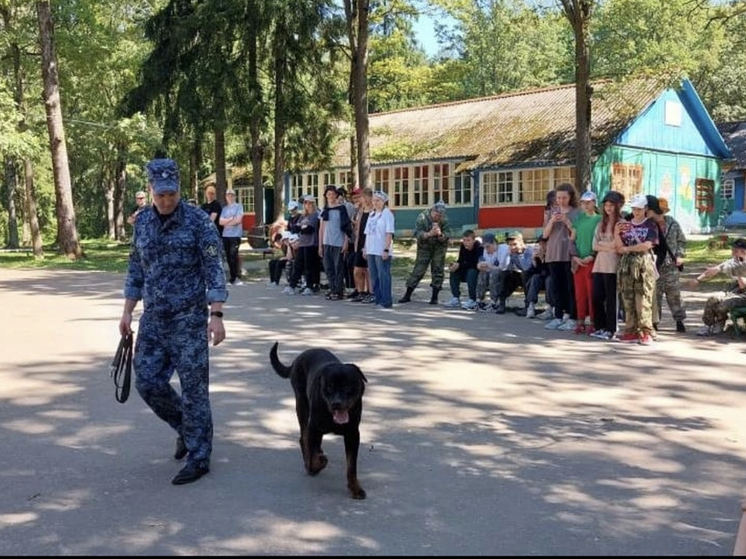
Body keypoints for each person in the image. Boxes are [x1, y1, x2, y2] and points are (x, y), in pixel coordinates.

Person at [119, 157, 227, 486]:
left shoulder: (198, 221)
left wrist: (217, 314)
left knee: (195, 390)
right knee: (147, 382)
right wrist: (127, 310)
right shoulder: (143, 223)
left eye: (171, 194)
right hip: (153, 318)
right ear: (150, 190)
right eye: (160, 194)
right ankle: (186, 427)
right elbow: (136, 268)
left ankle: (199, 455)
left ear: (179, 189)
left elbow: (214, 268)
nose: (166, 200)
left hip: (189, 319)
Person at [614, 193, 659, 345]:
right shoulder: (625, 223)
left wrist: (629, 248)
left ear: (645, 208)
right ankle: (630, 330)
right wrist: (616, 234)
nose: (636, 211)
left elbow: (648, 245)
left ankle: (645, 331)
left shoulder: (650, 224)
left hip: (643, 264)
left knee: (643, 298)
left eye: (639, 209)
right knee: (628, 297)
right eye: (634, 208)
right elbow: (619, 247)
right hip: (627, 264)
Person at [688, 237, 746, 336]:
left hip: (744, 294)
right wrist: (698, 279)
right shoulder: (734, 261)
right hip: (734, 290)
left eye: (735, 250)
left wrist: (738, 271)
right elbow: (714, 270)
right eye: (732, 249)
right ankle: (708, 325)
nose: (732, 251)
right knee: (713, 298)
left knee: (723, 304)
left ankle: (720, 322)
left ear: (744, 251)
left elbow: (743, 286)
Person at [646, 195, 687, 333]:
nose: (660, 213)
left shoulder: (673, 223)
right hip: (654, 265)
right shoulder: (649, 224)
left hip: (671, 265)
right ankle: (654, 322)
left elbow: (681, 241)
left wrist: (680, 255)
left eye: (662, 210)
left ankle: (679, 321)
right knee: (654, 295)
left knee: (674, 294)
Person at [398, 201, 452, 304]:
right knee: (419, 270)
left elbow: (447, 234)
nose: (438, 217)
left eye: (440, 215)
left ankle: (434, 297)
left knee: (438, 269)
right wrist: (429, 234)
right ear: (432, 211)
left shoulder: (444, 219)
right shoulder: (422, 218)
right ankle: (407, 294)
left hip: (439, 247)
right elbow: (418, 233)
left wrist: (441, 235)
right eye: (436, 214)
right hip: (425, 246)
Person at [543, 183, 579, 331]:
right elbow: (545, 234)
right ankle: (558, 316)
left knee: (570, 287)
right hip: (553, 252)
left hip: (568, 253)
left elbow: (578, 232)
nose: (561, 201)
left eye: (564, 197)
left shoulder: (577, 212)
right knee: (556, 286)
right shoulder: (551, 211)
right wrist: (552, 220)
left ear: (571, 197)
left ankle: (571, 316)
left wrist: (566, 221)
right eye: (558, 198)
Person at [590, 190, 625, 340]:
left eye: (612, 205)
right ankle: (600, 326)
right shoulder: (601, 223)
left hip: (613, 265)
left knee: (611, 298)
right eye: (606, 205)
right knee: (597, 296)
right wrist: (607, 245)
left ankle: (611, 329)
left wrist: (605, 244)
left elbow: (619, 246)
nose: (608, 208)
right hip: (599, 265)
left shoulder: (622, 223)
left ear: (618, 206)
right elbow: (594, 246)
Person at [570, 190, 602, 333]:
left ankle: (593, 321)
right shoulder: (578, 220)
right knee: (580, 293)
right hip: (579, 262)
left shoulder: (599, 220)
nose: (585, 205)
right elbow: (572, 240)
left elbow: (602, 240)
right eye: (583, 203)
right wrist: (575, 256)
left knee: (592, 293)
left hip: (592, 261)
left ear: (594, 203)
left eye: (588, 202)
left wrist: (593, 255)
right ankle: (580, 320)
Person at [319, 185, 352, 300]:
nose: (330, 196)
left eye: (333, 194)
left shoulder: (341, 209)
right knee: (328, 267)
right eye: (328, 194)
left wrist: (346, 242)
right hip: (326, 242)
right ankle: (332, 288)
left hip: (338, 242)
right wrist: (320, 245)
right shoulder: (325, 210)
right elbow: (321, 229)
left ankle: (338, 291)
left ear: (336, 196)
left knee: (338, 267)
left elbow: (347, 227)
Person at [364, 191, 396, 308]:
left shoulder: (387, 214)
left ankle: (386, 301)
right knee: (374, 275)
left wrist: (386, 249)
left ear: (384, 201)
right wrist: (365, 248)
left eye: (378, 200)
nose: (375, 203)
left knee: (384, 275)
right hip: (371, 249)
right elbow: (367, 233)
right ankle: (378, 298)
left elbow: (389, 233)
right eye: (374, 200)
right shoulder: (372, 214)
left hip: (381, 249)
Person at [286, 195, 321, 295]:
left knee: (309, 266)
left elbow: (310, 229)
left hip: (312, 243)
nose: (308, 205)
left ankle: (309, 286)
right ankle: (292, 285)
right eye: (306, 203)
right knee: (298, 264)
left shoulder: (316, 214)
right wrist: (302, 227)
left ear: (313, 204)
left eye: (310, 203)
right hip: (302, 243)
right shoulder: (303, 216)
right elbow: (295, 229)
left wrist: (302, 228)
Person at [495, 231, 535, 315]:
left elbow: (526, 267)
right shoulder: (512, 252)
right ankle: (501, 303)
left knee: (524, 274)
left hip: (531, 276)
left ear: (521, 242)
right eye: (510, 245)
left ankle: (527, 306)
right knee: (504, 273)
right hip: (520, 277)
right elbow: (505, 267)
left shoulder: (529, 251)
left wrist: (520, 254)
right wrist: (507, 255)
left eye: (515, 244)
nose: (512, 247)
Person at [444, 229, 482, 309]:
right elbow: (461, 259)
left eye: (468, 240)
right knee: (454, 271)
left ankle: (473, 299)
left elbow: (475, 263)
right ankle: (456, 298)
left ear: (473, 240)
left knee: (471, 272)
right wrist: (455, 264)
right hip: (465, 269)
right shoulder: (463, 246)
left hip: (476, 272)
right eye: (464, 240)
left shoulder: (479, 247)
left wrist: (460, 264)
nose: (466, 242)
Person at [351, 187, 374, 303]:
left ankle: (371, 292)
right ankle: (361, 292)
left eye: (365, 197)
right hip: (360, 242)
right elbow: (358, 227)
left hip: (370, 242)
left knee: (369, 270)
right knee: (357, 270)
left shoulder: (374, 210)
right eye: (362, 197)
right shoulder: (361, 210)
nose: (363, 199)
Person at [218, 189, 244, 286]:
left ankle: (236, 277)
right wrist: (230, 219)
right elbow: (220, 222)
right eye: (228, 195)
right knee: (228, 257)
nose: (230, 197)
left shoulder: (239, 207)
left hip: (235, 235)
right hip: (226, 235)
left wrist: (227, 222)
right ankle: (232, 277)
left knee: (234, 255)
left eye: (231, 195)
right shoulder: (224, 209)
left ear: (234, 196)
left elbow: (238, 220)